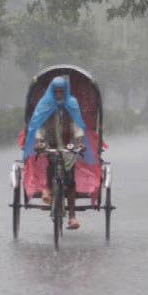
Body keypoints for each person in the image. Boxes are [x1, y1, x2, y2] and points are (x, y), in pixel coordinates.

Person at [23, 76, 92, 230]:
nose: (59, 94)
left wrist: (80, 140)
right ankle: (47, 188)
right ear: (52, 91)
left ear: (65, 91)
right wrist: (40, 141)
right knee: (52, 163)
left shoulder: (72, 104)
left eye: (61, 91)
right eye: (56, 91)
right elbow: (40, 124)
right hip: (51, 143)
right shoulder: (46, 103)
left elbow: (77, 124)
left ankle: (72, 216)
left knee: (71, 181)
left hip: (68, 146)